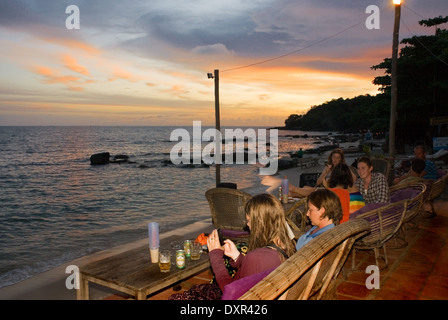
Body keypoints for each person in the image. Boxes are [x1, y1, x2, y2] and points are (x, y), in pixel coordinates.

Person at [207, 193, 296, 293]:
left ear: (260, 223)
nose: (247, 225)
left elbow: (230, 292)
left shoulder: (257, 257)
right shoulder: (287, 245)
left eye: (249, 220)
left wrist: (215, 257)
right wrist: (237, 257)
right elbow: (258, 269)